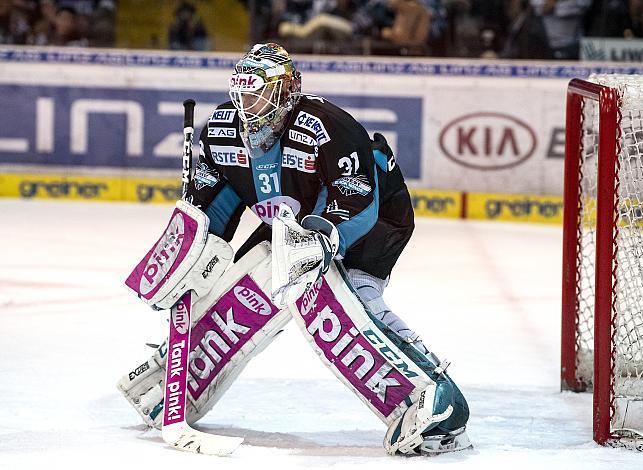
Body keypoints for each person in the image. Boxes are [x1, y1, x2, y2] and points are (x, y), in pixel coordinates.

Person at [118, 42, 470, 456]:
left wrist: (324, 238)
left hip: (375, 220)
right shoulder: (221, 132)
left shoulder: (328, 125)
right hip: (292, 225)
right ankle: (180, 378)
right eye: (243, 95)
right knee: (253, 281)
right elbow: (215, 208)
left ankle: (436, 400)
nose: (249, 106)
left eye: (259, 94)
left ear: (287, 90)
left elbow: (360, 200)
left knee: (343, 300)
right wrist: (188, 253)